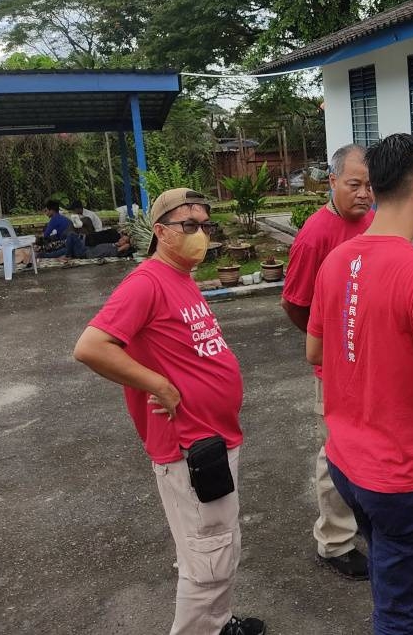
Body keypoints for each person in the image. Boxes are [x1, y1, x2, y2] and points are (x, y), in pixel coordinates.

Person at [306, 133, 413, 633]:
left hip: (347, 463)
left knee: (391, 560)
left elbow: (315, 351)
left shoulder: (337, 260)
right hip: (402, 475)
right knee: (398, 617)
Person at [73, 188, 264, 635]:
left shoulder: (182, 276)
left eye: (205, 225)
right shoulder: (147, 282)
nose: (200, 234)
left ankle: (217, 623)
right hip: (189, 447)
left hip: (213, 437)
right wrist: (157, 384)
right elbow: (90, 347)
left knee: (216, 544)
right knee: (207, 558)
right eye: (189, 226)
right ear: (160, 231)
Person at [281, 143, 374, 580]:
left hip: (372, 361)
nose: (363, 193)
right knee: (335, 452)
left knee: (367, 446)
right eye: (354, 184)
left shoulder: (374, 222)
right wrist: (328, 344)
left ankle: (366, 522)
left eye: (370, 185)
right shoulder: (316, 234)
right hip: (335, 367)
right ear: (332, 181)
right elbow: (295, 303)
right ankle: (334, 542)